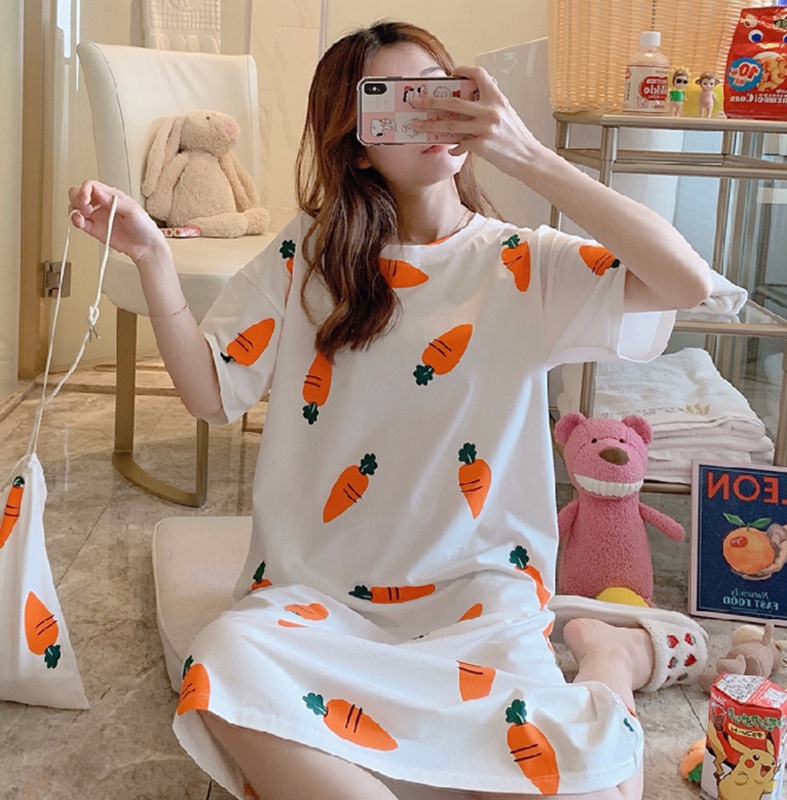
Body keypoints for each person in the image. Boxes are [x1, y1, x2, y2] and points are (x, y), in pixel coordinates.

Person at [69, 20, 713, 800]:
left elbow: (685, 283)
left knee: (597, 788)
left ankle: (608, 655)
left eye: (441, 93)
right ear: (359, 142)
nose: (429, 115)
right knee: (222, 667)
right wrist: (153, 258)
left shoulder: (523, 262)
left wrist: (526, 154)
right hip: (320, 600)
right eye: (397, 100)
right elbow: (210, 393)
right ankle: (589, 669)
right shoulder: (310, 255)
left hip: (479, 600)